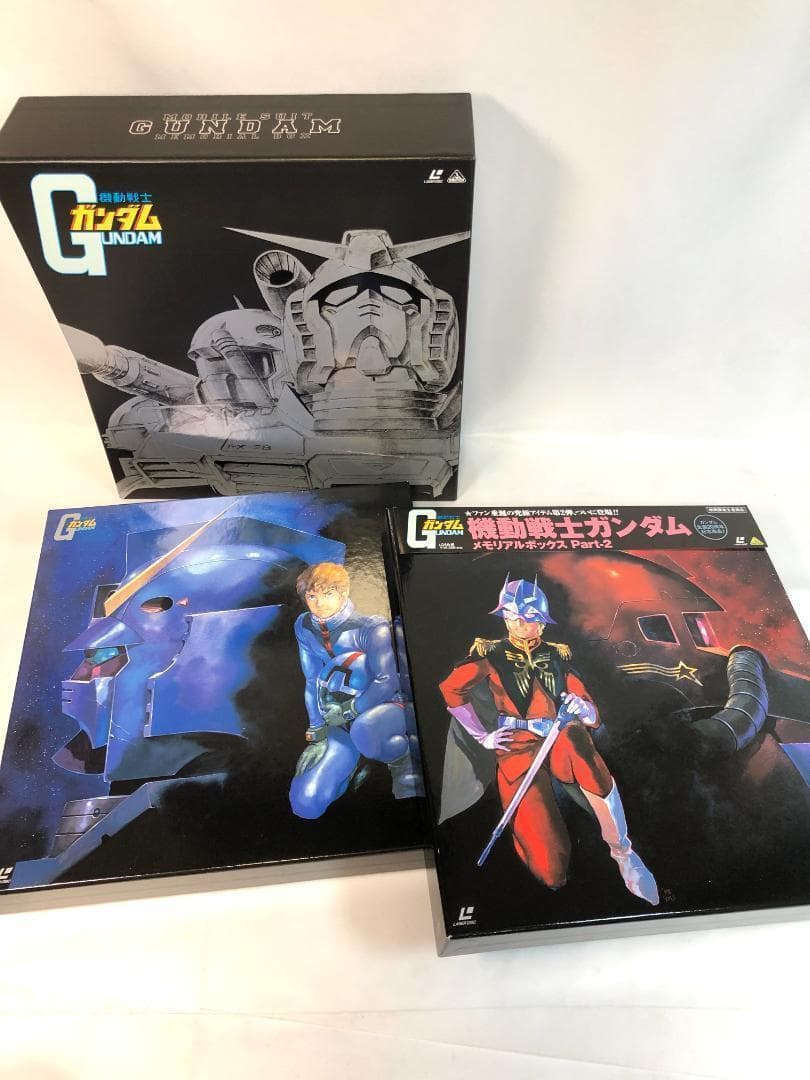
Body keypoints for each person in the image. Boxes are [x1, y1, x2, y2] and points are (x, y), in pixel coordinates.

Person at [438, 575, 658, 904]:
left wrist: (581, 707)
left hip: (560, 740)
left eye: (528, 617)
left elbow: (591, 713)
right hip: (516, 748)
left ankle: (622, 852)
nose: (519, 623)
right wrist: (483, 736)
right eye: (512, 616)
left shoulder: (558, 656)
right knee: (550, 871)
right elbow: (451, 690)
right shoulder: (490, 654)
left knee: (576, 740)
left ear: (542, 622)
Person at [290, 561, 423, 818]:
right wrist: (317, 732)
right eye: (312, 596)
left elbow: (387, 681)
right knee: (306, 801)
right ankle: (352, 764)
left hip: (387, 709)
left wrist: (351, 709)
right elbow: (311, 679)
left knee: (365, 730)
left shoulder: (371, 627)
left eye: (328, 593)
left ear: (343, 592)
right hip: (338, 718)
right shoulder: (304, 627)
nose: (319, 603)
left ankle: (401, 756)